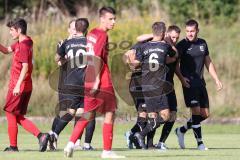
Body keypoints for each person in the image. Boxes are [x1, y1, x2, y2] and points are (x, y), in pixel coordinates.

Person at [63, 7, 125, 158]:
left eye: (114, 18)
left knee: (88, 114)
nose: (113, 22)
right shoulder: (102, 35)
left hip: (88, 78)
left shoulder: (91, 34)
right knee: (110, 113)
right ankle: (107, 151)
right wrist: (97, 79)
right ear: (102, 19)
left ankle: (71, 143)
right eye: (110, 19)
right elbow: (96, 57)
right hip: (101, 80)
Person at [0, 18, 49, 152]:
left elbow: (25, 67)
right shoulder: (26, 41)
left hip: (19, 85)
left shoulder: (22, 46)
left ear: (19, 30)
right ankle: (41, 136)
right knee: (17, 116)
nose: (10, 33)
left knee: (10, 114)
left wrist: (17, 86)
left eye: (11, 30)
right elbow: (5, 50)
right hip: (26, 85)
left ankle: (13, 146)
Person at [127, 22, 178, 149]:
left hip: (145, 87)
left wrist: (130, 59)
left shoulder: (144, 47)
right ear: (163, 33)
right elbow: (175, 55)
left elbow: (135, 64)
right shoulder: (165, 46)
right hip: (158, 86)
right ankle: (140, 134)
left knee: (152, 116)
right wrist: (169, 42)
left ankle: (149, 145)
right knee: (166, 116)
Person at [175, 19, 223, 150]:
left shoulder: (203, 43)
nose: (190, 34)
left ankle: (182, 130)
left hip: (201, 83)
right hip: (189, 84)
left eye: (192, 31)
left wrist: (216, 79)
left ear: (197, 31)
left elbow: (208, 62)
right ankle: (200, 143)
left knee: (204, 115)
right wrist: (182, 79)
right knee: (195, 112)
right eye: (188, 31)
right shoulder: (182, 45)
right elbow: (175, 65)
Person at [48, 19, 96, 151]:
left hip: (71, 82)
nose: (74, 31)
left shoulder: (66, 44)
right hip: (75, 82)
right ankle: (54, 134)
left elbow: (57, 59)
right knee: (69, 113)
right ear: (69, 30)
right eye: (72, 28)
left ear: (78, 29)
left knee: (79, 113)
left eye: (76, 28)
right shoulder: (87, 43)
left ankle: (72, 140)